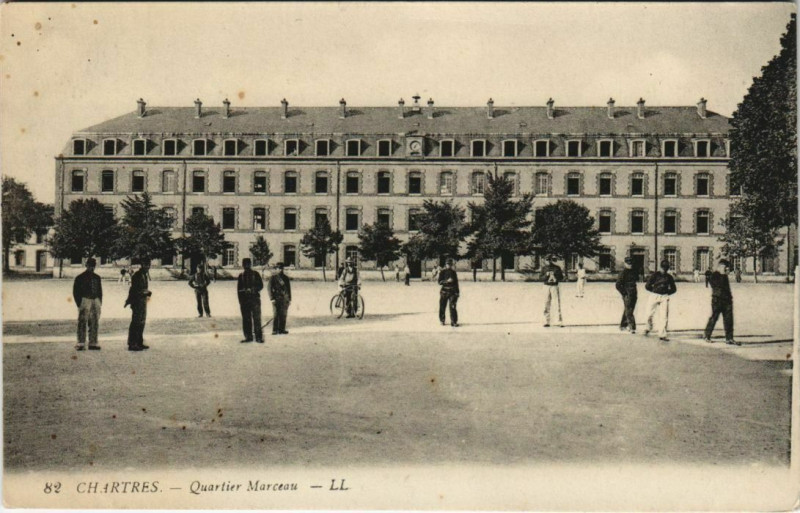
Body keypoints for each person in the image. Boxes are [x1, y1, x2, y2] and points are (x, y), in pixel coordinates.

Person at [703, 259, 739, 345]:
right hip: (717, 300)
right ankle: (707, 335)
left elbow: (727, 288)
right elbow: (715, 285)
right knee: (714, 317)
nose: (727, 270)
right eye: (726, 268)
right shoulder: (715, 275)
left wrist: (730, 298)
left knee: (729, 319)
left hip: (727, 300)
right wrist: (722, 275)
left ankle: (729, 338)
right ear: (721, 267)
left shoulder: (725, 276)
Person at [73, 257, 103, 351]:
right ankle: (81, 343)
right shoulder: (80, 277)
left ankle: (93, 342)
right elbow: (76, 292)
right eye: (90, 266)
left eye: (93, 266)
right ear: (86, 266)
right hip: (85, 300)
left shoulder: (97, 277)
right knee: (82, 322)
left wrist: (99, 301)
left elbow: (100, 290)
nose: (92, 268)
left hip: (95, 301)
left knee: (94, 322)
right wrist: (80, 303)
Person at [644, 259, 678, 341]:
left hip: (664, 297)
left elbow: (674, 289)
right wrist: (654, 291)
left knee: (664, 316)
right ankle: (648, 327)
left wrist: (666, 293)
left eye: (666, 268)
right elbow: (647, 286)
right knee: (649, 313)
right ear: (660, 267)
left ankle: (662, 334)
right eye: (663, 268)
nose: (664, 270)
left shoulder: (669, 277)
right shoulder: (655, 275)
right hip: (654, 295)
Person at [125, 259, 152, 351]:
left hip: (143, 301)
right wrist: (144, 292)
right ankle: (132, 343)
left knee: (141, 322)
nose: (147, 267)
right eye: (145, 264)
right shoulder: (137, 275)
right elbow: (134, 289)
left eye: (148, 265)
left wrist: (146, 293)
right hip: (137, 301)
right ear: (142, 265)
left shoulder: (144, 275)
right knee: (136, 322)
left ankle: (139, 342)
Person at [238, 258, 265, 342]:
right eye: (244, 264)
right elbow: (238, 290)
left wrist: (253, 289)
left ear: (250, 265)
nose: (246, 266)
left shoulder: (255, 274)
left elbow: (261, 285)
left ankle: (259, 338)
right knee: (246, 319)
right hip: (245, 301)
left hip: (255, 300)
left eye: (248, 264)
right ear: (243, 265)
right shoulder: (241, 275)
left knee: (257, 319)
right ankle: (248, 337)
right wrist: (241, 302)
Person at [267, 261, 291, 335]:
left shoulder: (286, 278)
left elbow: (288, 289)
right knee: (276, 314)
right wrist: (272, 298)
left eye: (281, 268)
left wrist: (289, 299)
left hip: (284, 299)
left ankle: (282, 329)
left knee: (283, 314)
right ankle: (275, 330)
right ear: (276, 269)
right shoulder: (273, 278)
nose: (280, 270)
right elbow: (269, 288)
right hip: (276, 298)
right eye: (278, 268)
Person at [615, 257, 638, 334]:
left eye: (631, 263)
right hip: (627, 294)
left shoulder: (634, 272)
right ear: (625, 264)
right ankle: (632, 327)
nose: (630, 265)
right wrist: (624, 293)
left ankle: (623, 325)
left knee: (629, 309)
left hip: (634, 293)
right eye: (628, 263)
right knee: (629, 310)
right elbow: (618, 285)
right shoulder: (623, 273)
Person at [541, 255, 564, 327]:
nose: (548, 261)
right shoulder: (544, 268)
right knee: (546, 303)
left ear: (552, 260)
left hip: (554, 286)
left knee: (556, 303)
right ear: (545, 260)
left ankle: (559, 321)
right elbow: (540, 278)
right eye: (547, 260)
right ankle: (546, 321)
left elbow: (561, 277)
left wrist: (556, 276)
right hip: (546, 286)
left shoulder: (557, 268)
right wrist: (546, 275)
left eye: (549, 260)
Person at [438, 258, 460, 327]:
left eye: (450, 264)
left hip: (452, 292)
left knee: (453, 307)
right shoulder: (442, 272)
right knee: (442, 307)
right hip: (444, 292)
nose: (449, 266)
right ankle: (442, 320)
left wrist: (457, 292)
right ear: (446, 264)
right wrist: (447, 281)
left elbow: (456, 283)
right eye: (448, 264)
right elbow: (439, 282)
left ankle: (453, 322)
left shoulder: (454, 272)